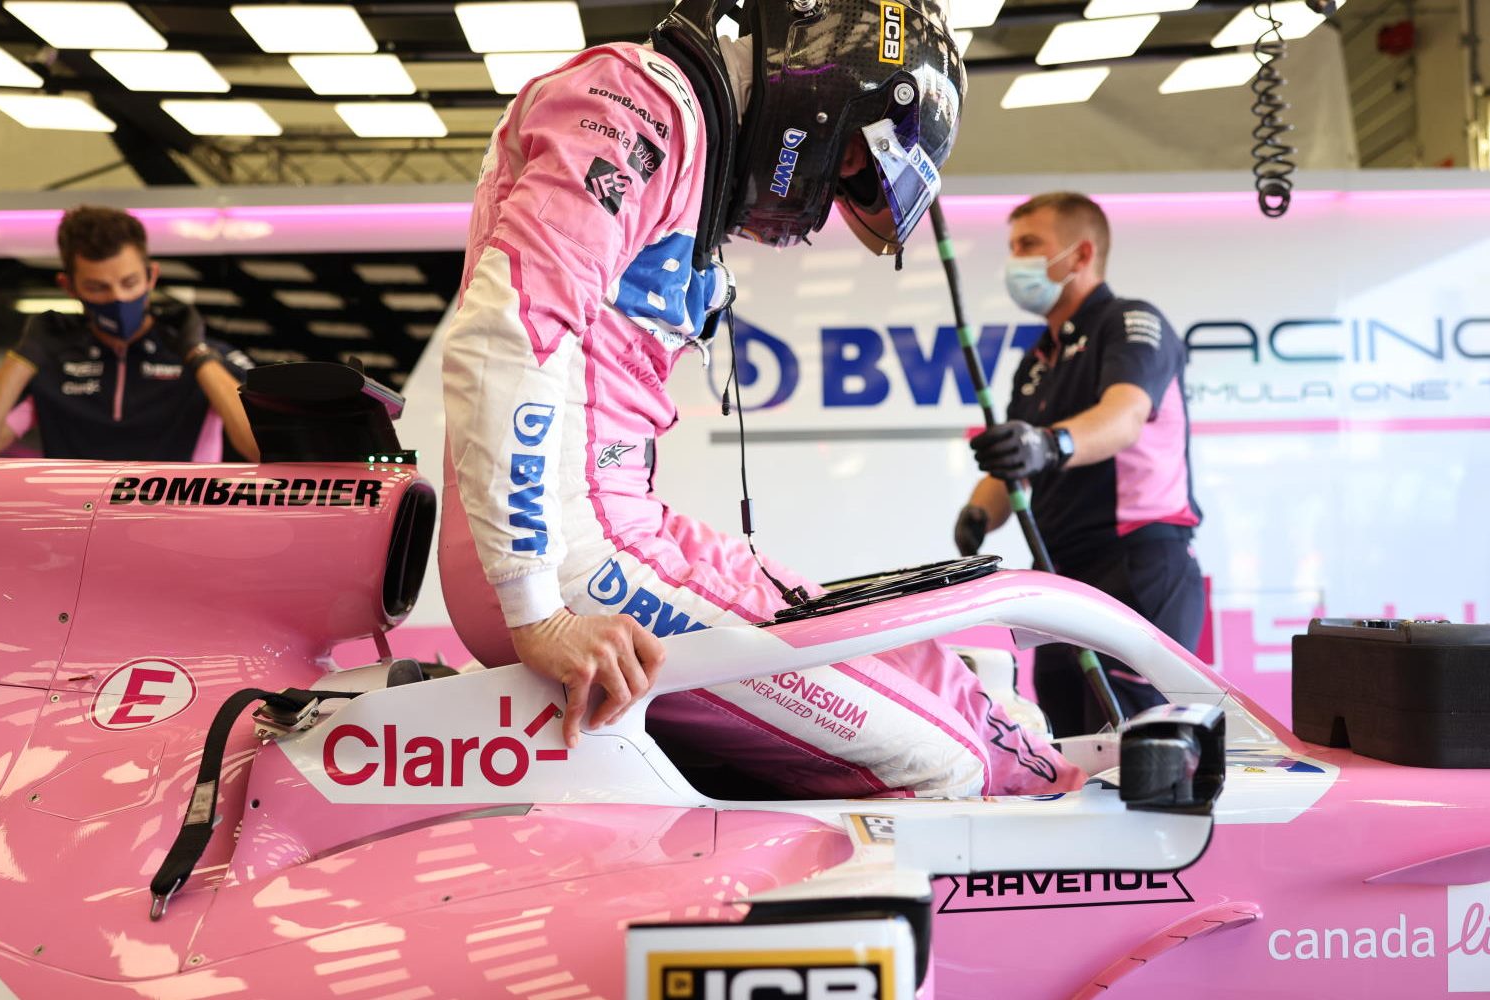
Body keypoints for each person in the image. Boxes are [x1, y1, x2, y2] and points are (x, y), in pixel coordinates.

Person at [435, 0, 1080, 798]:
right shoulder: (636, 102)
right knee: (947, 762)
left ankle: (1021, 747)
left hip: (612, 540)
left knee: (925, 668)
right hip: (569, 567)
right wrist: (536, 608)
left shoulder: (686, 136)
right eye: (851, 156)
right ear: (826, 81)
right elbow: (506, 332)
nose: (836, 183)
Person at [955, 192, 1203, 737]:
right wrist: (978, 511)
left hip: (1136, 564)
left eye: (1029, 245)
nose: (1014, 259)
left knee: (1139, 751)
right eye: (1012, 246)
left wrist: (1051, 445)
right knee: (1068, 746)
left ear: (1080, 252)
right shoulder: (1037, 359)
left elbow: (1125, 414)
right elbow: (1016, 464)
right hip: (1061, 579)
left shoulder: (1130, 321)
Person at [0, 205, 258, 462]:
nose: (117, 298)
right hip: (76, 538)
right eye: (98, 287)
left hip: (179, 535)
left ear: (151, 276)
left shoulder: (203, 360)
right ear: (69, 286)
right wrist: (24, 356)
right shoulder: (49, 363)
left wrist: (198, 355)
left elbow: (260, 448)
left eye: (129, 283)